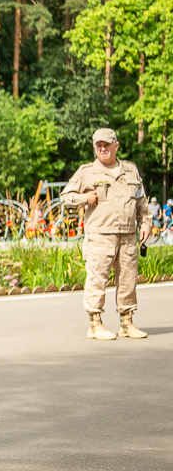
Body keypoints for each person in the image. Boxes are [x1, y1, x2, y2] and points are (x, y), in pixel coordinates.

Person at [61, 128, 149, 340]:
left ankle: (127, 323)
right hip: (100, 236)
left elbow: (141, 200)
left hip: (127, 235)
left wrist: (144, 223)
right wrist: (85, 199)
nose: (103, 148)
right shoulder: (87, 172)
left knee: (128, 279)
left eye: (106, 144)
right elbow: (66, 196)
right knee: (97, 279)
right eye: (98, 145)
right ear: (94, 148)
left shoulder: (130, 170)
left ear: (116, 145)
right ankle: (95, 324)